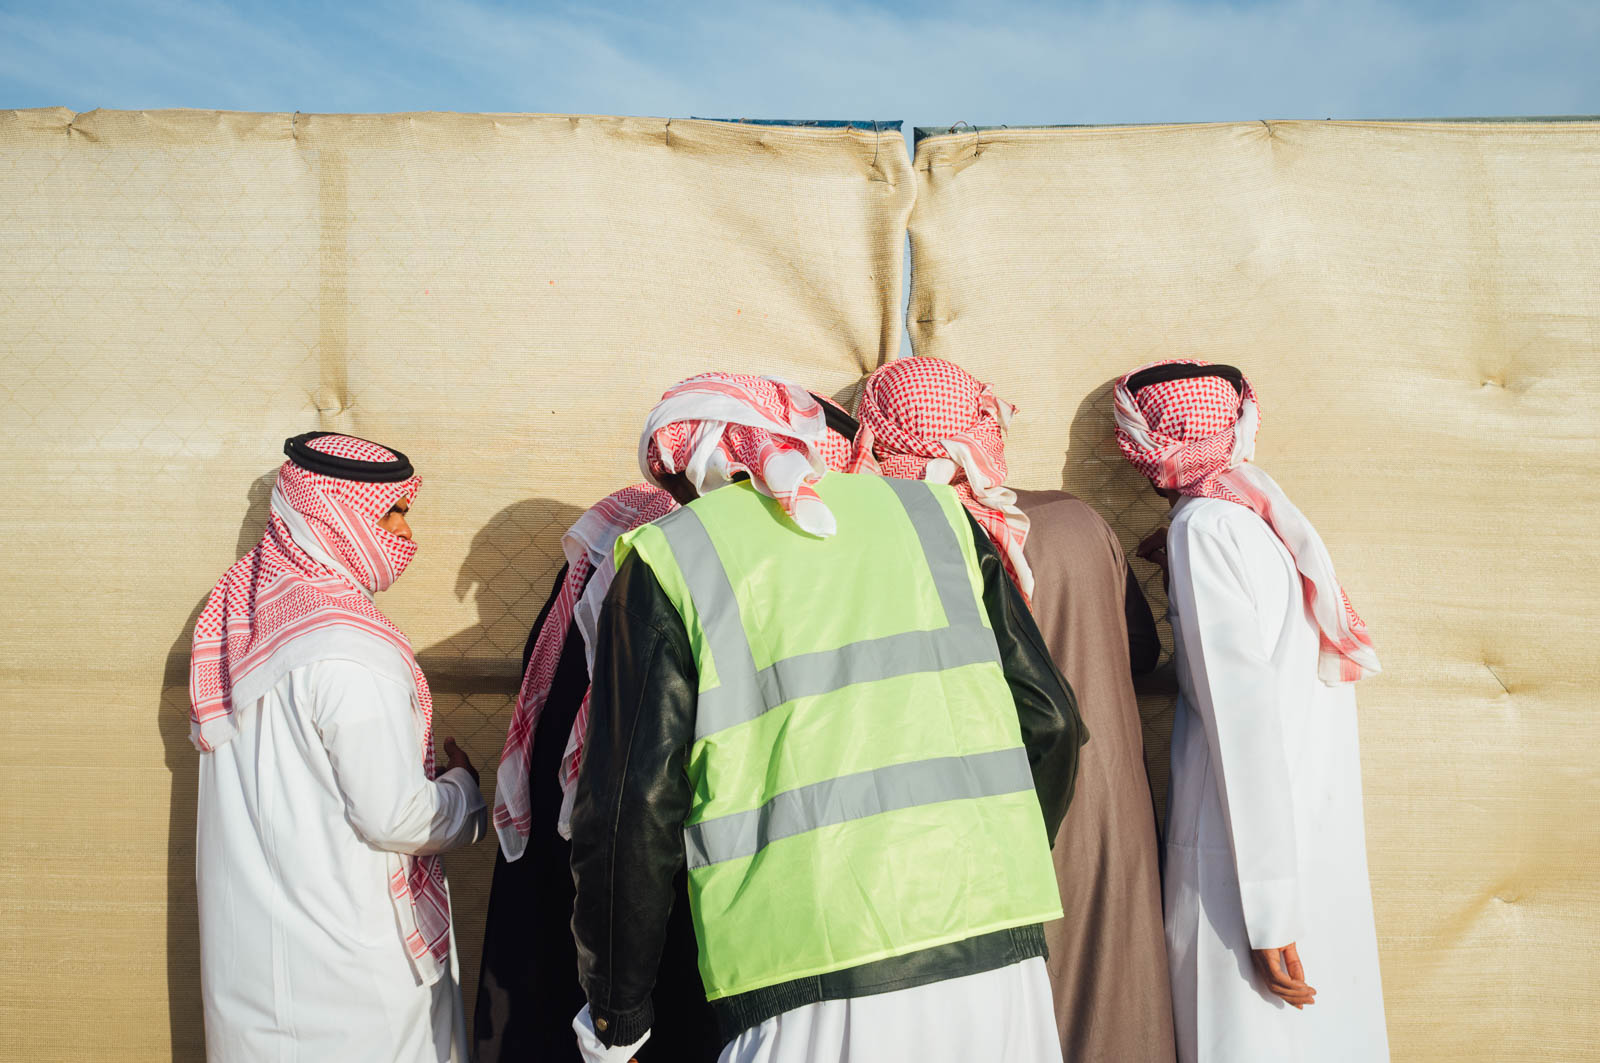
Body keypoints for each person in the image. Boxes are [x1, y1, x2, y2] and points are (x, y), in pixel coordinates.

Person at [567, 372, 1084, 1063]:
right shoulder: (936, 517)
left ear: (695, 463)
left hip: (802, 972)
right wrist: (983, 854)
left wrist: (617, 1015)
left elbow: (634, 807)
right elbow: (1049, 722)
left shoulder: (673, 555)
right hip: (996, 960)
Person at [474, 394, 864, 1063]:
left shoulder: (598, 575)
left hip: (584, 903)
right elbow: (637, 803)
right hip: (660, 907)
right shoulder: (678, 579)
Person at [851, 356, 1176, 1063]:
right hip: (1105, 812)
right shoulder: (1077, 519)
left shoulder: (893, 540)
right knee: (1114, 1006)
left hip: (980, 826)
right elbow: (1141, 653)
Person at [1112, 359, 1387, 1062]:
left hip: (1244, 861)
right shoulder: (1258, 517)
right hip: (1299, 839)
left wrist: (1267, 914)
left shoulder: (1203, 528)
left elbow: (1242, 722)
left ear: (1149, 440)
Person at [187, 432, 487, 1063]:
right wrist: (465, 793)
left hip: (254, 987)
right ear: (337, 515)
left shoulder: (243, 623)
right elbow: (396, 815)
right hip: (356, 995)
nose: (407, 535)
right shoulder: (352, 647)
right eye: (391, 513)